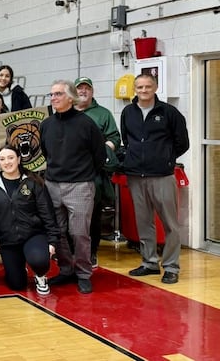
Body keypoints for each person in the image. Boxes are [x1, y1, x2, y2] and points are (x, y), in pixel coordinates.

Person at [121, 74, 189, 284]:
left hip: (162, 176)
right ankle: (149, 263)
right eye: (140, 87)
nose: (144, 90)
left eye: (148, 86)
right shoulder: (128, 112)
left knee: (170, 224)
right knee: (144, 223)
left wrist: (165, 160)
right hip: (136, 176)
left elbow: (182, 143)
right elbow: (127, 139)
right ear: (135, 89)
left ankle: (171, 267)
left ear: (156, 87)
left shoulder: (169, 112)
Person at [40, 80, 106, 294]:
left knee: (79, 233)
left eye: (58, 94)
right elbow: (45, 152)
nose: (53, 98)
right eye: (51, 94)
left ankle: (84, 273)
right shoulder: (47, 124)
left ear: (70, 97)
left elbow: (100, 155)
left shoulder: (86, 124)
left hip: (80, 186)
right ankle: (66, 269)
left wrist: (84, 176)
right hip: (52, 184)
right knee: (57, 232)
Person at [0, 146, 60, 295]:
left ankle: (40, 276)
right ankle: (20, 266)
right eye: (2, 159)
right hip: (7, 239)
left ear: (19, 159)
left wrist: (52, 241)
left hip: (32, 235)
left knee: (39, 260)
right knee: (16, 284)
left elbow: (47, 212)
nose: (7, 162)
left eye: (11, 158)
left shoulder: (33, 182)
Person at [74, 76, 121, 267]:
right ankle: (71, 251)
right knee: (70, 215)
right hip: (71, 173)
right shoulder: (66, 112)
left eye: (86, 88)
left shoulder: (103, 114)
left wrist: (100, 151)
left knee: (93, 215)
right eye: (79, 88)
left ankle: (91, 252)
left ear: (92, 91)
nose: (83, 91)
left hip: (94, 174)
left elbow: (114, 139)